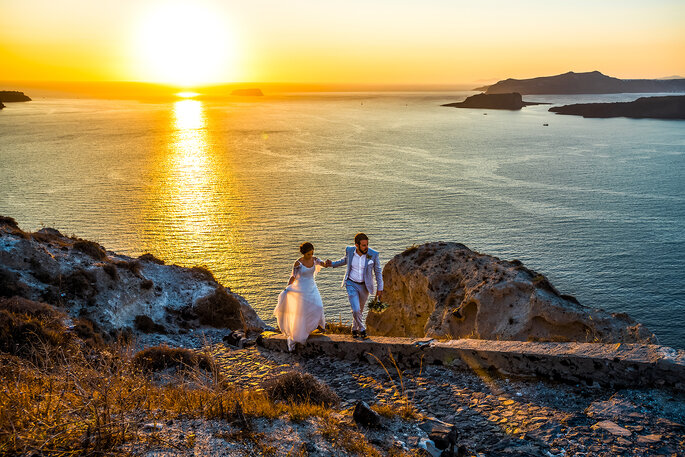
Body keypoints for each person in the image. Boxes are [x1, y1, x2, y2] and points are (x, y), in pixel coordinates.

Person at [326, 233, 383, 338]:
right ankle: (362, 329)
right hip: (351, 283)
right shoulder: (350, 250)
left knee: (359, 310)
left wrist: (380, 288)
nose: (366, 247)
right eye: (364, 245)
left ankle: (354, 328)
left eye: (367, 245)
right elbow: (344, 261)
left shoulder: (373, 254)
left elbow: (378, 272)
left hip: (364, 286)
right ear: (357, 245)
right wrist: (332, 264)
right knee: (356, 309)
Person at [274, 242, 327, 351]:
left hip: (312, 287)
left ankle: (319, 326)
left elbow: (323, 264)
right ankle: (306, 329)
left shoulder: (315, 259)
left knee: (318, 306)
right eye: (308, 254)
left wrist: (327, 263)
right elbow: (293, 276)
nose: (311, 256)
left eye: (312, 253)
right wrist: (287, 288)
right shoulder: (298, 263)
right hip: (301, 289)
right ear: (303, 253)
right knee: (304, 311)